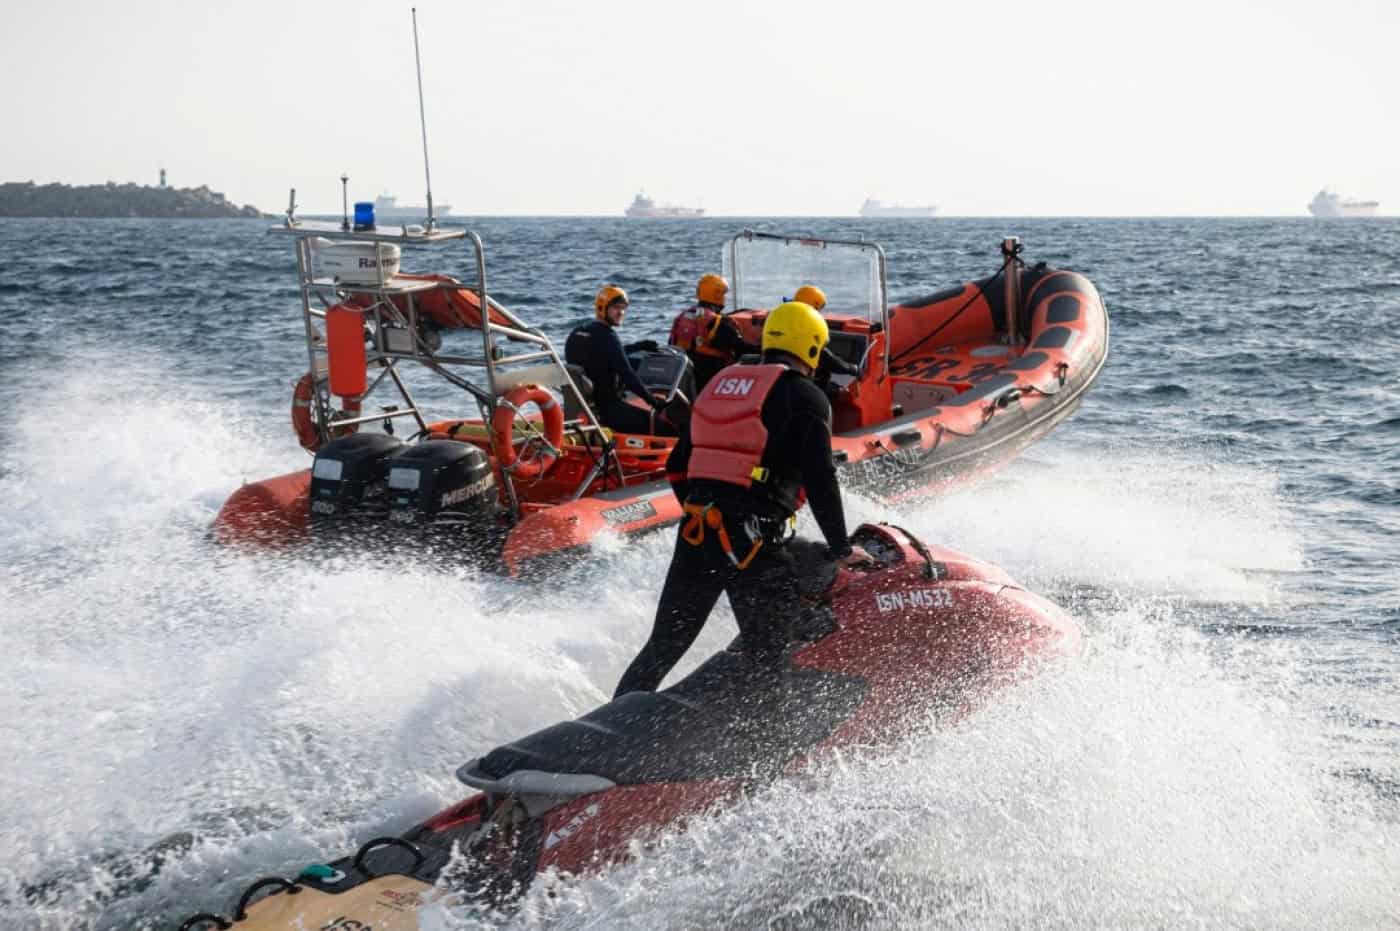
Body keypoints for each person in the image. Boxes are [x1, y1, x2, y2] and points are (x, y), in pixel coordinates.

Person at [614, 300, 871, 697]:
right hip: (753, 542)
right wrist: (841, 546)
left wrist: (707, 507)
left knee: (663, 646)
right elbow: (821, 478)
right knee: (770, 651)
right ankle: (765, 748)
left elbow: (677, 467)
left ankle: (605, 737)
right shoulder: (806, 396)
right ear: (814, 348)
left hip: (697, 530)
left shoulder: (721, 384)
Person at [565, 285, 673, 435]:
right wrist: (653, 401)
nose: (621, 313)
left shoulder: (577, 333)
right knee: (666, 429)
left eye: (623, 308)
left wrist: (638, 346)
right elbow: (628, 376)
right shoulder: (608, 337)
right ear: (602, 307)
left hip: (584, 407)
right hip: (609, 410)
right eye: (616, 308)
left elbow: (605, 354)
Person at [668, 273, 761, 392]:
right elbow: (740, 347)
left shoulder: (683, 316)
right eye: (723, 294)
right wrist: (763, 349)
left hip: (684, 378)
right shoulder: (717, 322)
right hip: (712, 381)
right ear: (717, 295)